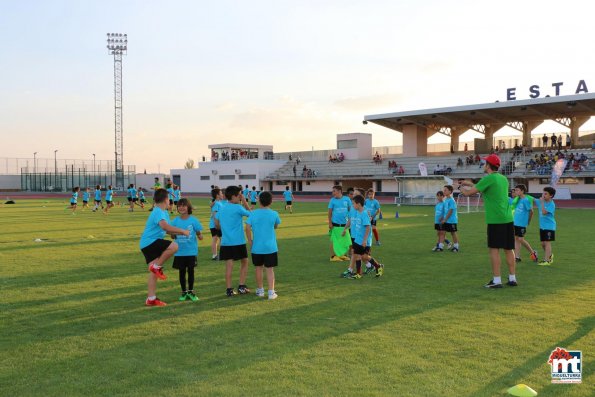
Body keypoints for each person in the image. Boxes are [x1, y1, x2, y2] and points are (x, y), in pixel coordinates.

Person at [460, 154, 517, 288]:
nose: (483, 165)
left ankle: (497, 280)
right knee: (509, 249)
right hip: (508, 218)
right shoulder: (502, 178)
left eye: (485, 163)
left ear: (488, 165)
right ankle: (512, 278)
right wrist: (470, 183)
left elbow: (468, 193)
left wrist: (459, 187)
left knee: (494, 249)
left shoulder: (488, 178)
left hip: (496, 220)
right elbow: (488, 189)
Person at [140, 188, 190, 306]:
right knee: (174, 247)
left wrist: (176, 233)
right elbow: (165, 227)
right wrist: (182, 231)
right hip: (150, 242)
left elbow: (167, 230)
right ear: (166, 199)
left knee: (153, 272)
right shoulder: (158, 211)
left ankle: (151, 299)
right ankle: (157, 267)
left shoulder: (164, 212)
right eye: (169, 200)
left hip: (147, 244)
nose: (170, 202)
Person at [215, 185, 252, 297]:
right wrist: (245, 201)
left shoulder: (222, 207)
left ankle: (229, 289)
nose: (240, 197)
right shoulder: (238, 207)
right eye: (239, 195)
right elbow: (251, 214)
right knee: (244, 261)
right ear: (234, 196)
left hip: (226, 242)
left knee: (229, 266)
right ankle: (241, 286)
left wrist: (225, 228)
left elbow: (216, 224)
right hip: (238, 241)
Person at [245, 191, 281, 300]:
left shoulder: (253, 213)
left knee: (258, 268)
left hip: (257, 247)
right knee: (270, 270)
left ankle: (260, 290)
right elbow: (276, 225)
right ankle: (271, 292)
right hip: (270, 247)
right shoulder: (274, 213)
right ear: (271, 202)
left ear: (259, 201)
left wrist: (250, 241)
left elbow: (247, 227)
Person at [171, 198, 204, 302]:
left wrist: (200, 236)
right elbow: (172, 235)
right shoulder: (175, 220)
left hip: (191, 251)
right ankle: (183, 292)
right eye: (179, 206)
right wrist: (176, 233)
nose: (181, 207)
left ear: (188, 207)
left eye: (183, 205)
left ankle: (191, 291)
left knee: (191, 271)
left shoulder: (193, 220)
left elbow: (198, 231)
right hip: (179, 252)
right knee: (181, 272)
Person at [512, 184, 538, 263]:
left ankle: (533, 252)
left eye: (517, 190)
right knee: (516, 239)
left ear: (522, 191)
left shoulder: (525, 200)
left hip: (522, 223)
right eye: (515, 190)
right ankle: (517, 257)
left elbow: (531, 211)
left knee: (520, 239)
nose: (515, 192)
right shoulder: (517, 199)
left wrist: (528, 221)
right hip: (515, 222)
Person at [328, 185, 351, 262]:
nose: (333, 193)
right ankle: (333, 256)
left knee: (346, 240)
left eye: (334, 191)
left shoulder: (347, 199)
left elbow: (350, 210)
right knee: (334, 240)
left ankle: (342, 255)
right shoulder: (332, 200)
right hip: (335, 225)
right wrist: (330, 223)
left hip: (345, 225)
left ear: (339, 191)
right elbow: (329, 212)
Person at [536, 187, 557, 266]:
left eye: (545, 194)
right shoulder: (541, 201)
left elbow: (544, 212)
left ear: (551, 195)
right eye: (543, 193)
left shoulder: (552, 204)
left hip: (550, 226)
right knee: (542, 244)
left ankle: (547, 260)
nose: (543, 195)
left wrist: (541, 203)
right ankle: (549, 256)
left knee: (547, 243)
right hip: (542, 226)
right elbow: (532, 199)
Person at [441, 185, 459, 252]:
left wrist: (445, 219)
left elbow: (451, 211)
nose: (444, 191)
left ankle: (456, 246)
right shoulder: (445, 200)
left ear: (450, 191)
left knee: (453, 233)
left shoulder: (451, 200)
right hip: (446, 219)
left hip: (451, 220)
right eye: (444, 190)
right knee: (442, 232)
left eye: (445, 190)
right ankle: (443, 244)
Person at [209, 188, 225, 260]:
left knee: (218, 239)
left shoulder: (218, 203)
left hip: (216, 224)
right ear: (217, 195)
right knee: (218, 239)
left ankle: (216, 255)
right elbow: (215, 214)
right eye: (221, 193)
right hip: (216, 225)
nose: (222, 194)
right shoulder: (216, 203)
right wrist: (217, 225)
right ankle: (217, 255)